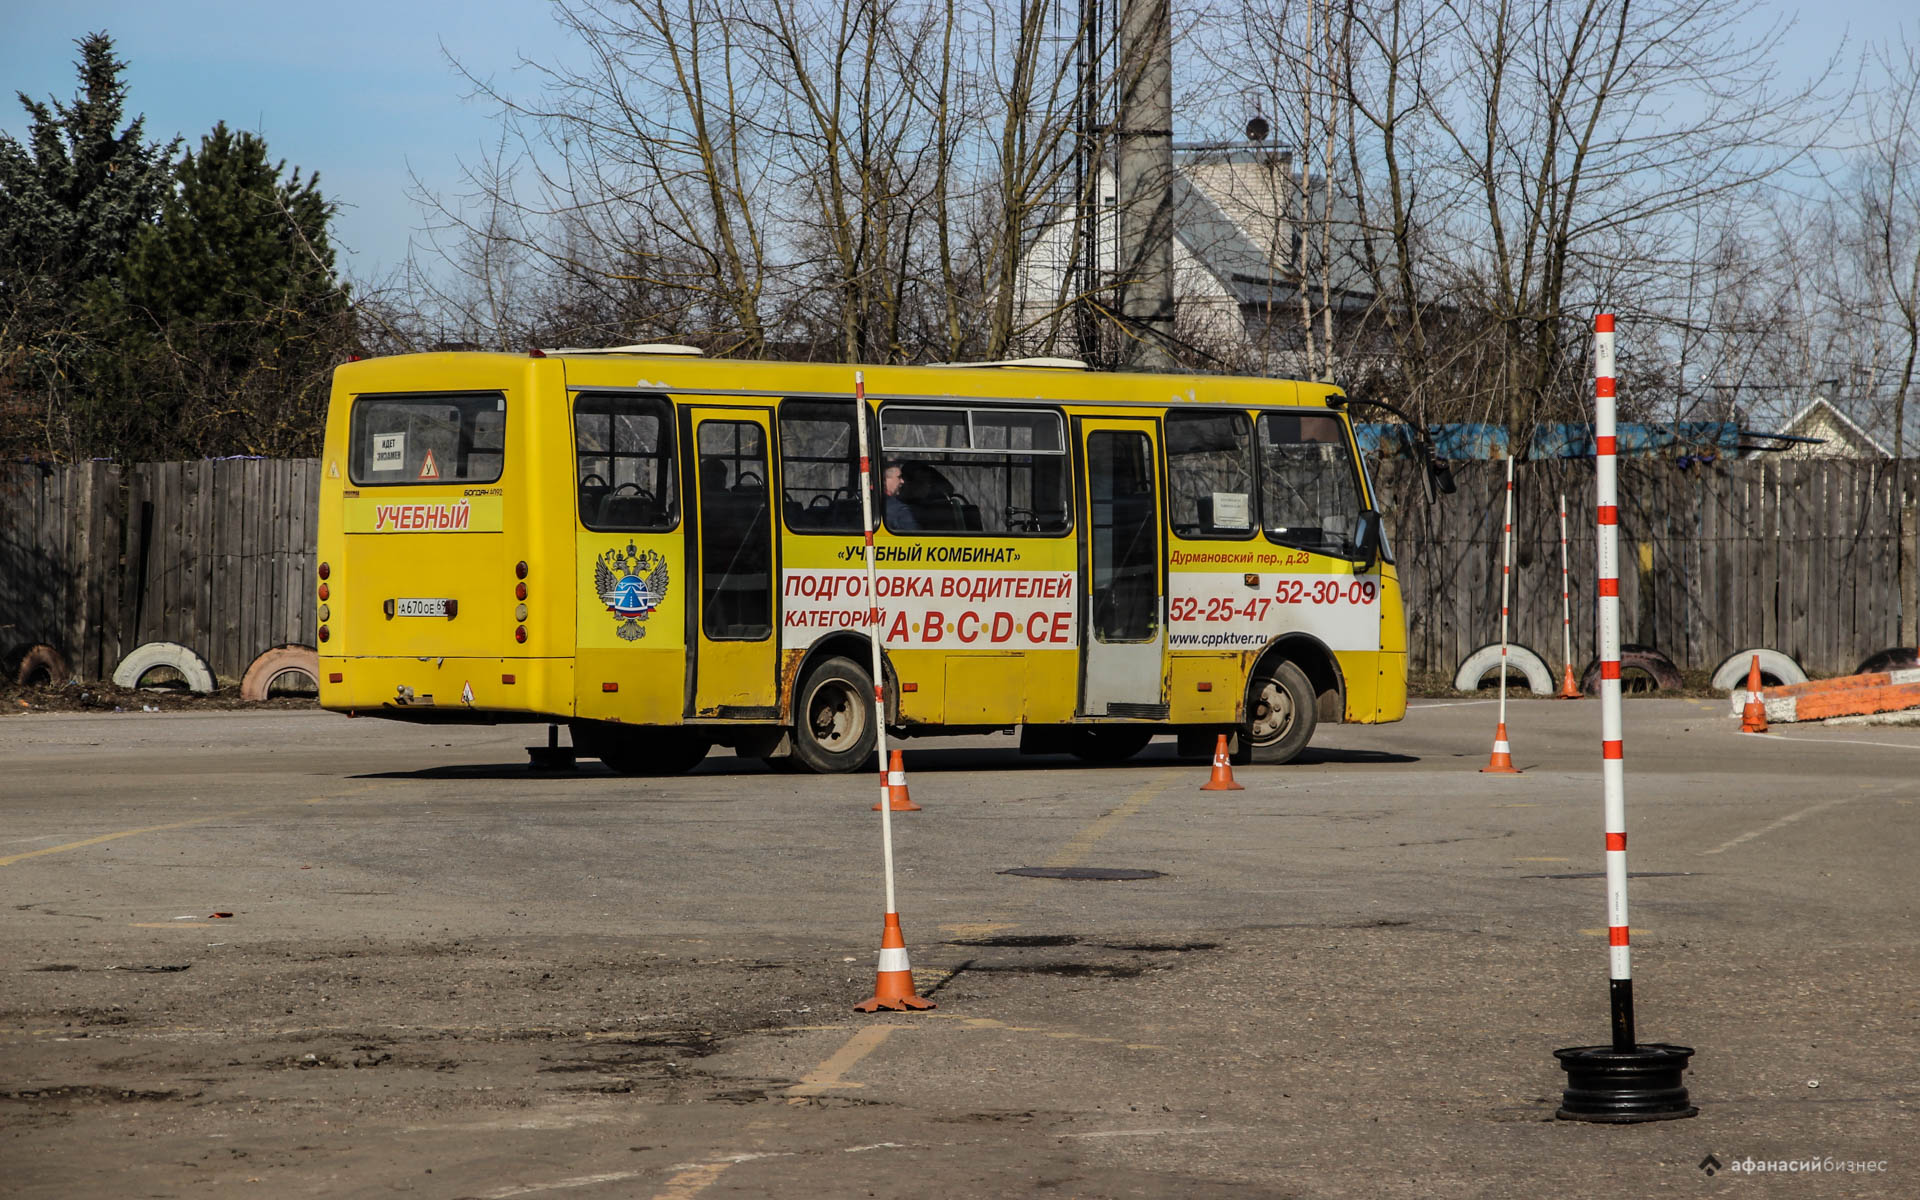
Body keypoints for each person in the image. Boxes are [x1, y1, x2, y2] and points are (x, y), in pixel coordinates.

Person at [883, 464, 919, 531]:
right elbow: (915, 535)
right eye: (899, 477)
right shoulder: (900, 510)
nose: (902, 481)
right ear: (886, 479)